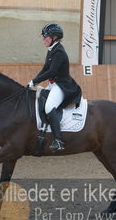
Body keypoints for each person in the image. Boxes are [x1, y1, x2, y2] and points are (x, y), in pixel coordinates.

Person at [27, 23, 82, 151]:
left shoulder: (59, 52)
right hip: (53, 84)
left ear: (54, 38)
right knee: (39, 100)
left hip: (62, 86)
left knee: (49, 107)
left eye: (46, 37)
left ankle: (59, 140)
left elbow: (51, 72)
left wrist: (34, 81)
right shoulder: (52, 50)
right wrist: (33, 82)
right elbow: (45, 69)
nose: (43, 40)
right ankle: (44, 131)